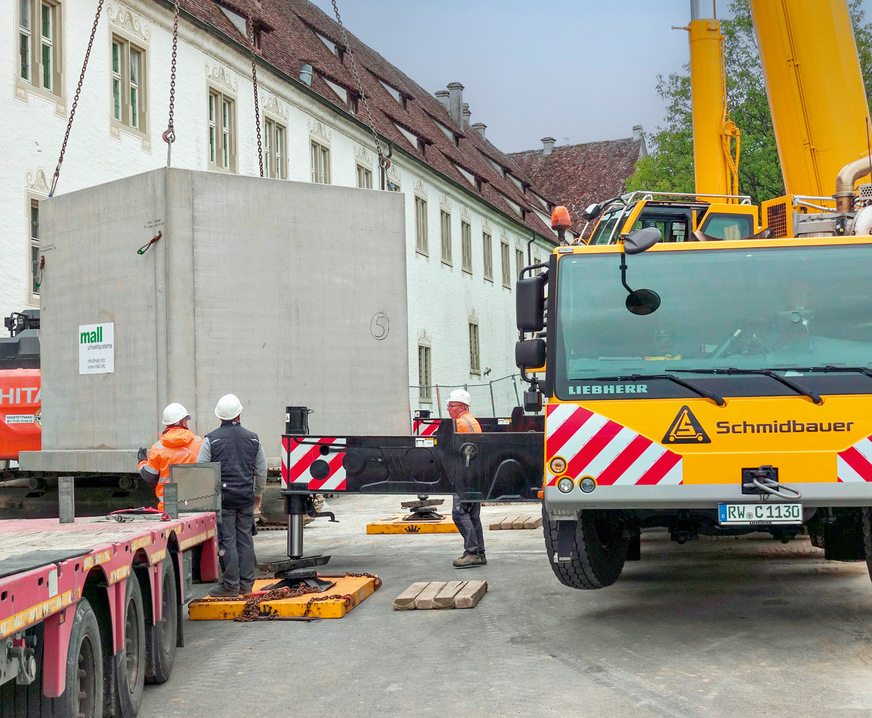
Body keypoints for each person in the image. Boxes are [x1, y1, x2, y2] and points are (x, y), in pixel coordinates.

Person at [198, 393, 267, 597]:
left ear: (220, 417)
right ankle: (247, 585)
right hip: (245, 497)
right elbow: (261, 470)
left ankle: (231, 586)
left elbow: (202, 470)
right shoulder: (253, 438)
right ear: (239, 414)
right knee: (245, 539)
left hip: (224, 500)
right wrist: (258, 493)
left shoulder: (211, 439)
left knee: (227, 541)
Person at [138, 402, 202, 512]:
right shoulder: (198, 442)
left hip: (168, 507)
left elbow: (149, 476)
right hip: (196, 503)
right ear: (182, 422)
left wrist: (142, 461)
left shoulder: (158, 447)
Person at [447, 389, 486, 568]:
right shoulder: (469, 420)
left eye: (451, 405)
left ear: (461, 407)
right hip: (474, 474)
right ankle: (479, 552)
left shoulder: (462, 423)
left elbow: (461, 450)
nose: (448, 408)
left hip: (466, 475)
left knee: (459, 513)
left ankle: (472, 552)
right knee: (472, 515)